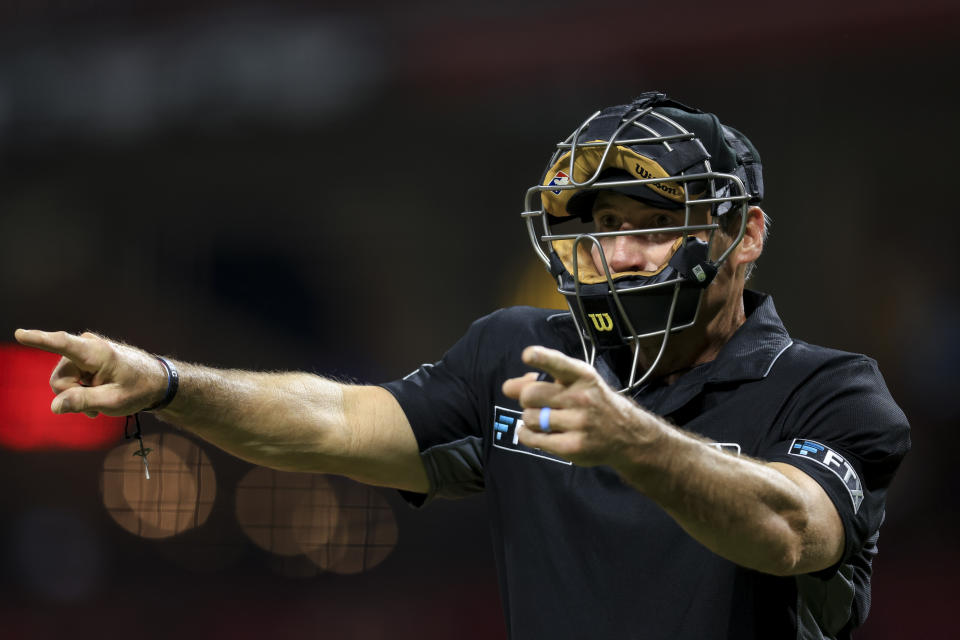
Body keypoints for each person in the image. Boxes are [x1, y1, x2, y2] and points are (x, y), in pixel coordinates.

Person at [15, 91, 910, 639]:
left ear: (744, 234)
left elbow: (796, 533)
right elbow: (337, 421)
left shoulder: (829, 387)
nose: (620, 256)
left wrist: (632, 440)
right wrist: (169, 381)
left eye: (652, 225)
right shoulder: (521, 355)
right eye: (597, 231)